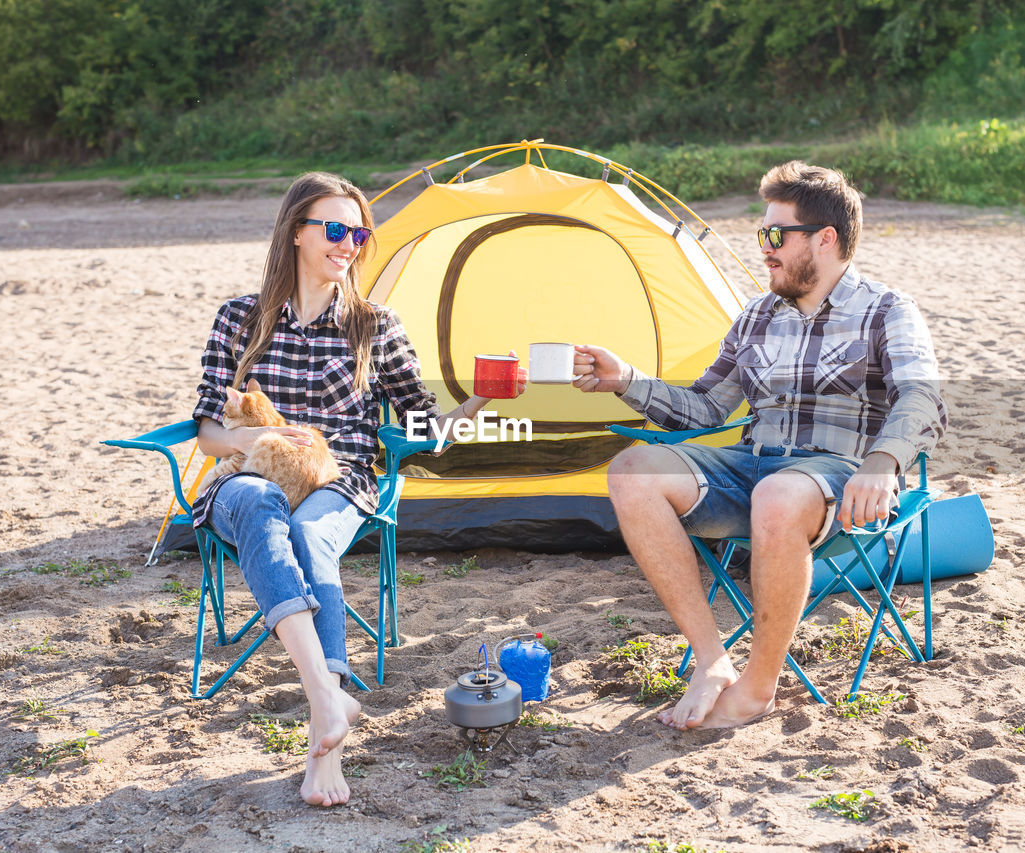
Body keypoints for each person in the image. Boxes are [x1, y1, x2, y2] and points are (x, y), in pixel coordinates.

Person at [573, 161, 946, 731]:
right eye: (761, 235)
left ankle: (760, 688)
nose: (764, 249)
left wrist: (882, 461)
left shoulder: (886, 310)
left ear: (825, 239)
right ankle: (713, 662)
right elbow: (704, 408)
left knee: (776, 495)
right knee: (632, 472)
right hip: (752, 468)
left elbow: (922, 399)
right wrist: (626, 379)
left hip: (841, 477)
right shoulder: (757, 316)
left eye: (777, 234)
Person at [190, 172, 525, 806]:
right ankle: (326, 695)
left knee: (311, 534)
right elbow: (208, 431)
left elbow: (421, 421)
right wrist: (261, 444)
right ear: (296, 233)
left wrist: (487, 396)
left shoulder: (374, 324)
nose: (349, 244)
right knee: (263, 505)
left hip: (337, 477)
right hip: (242, 477)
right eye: (335, 230)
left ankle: (326, 744)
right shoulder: (240, 318)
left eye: (359, 233)